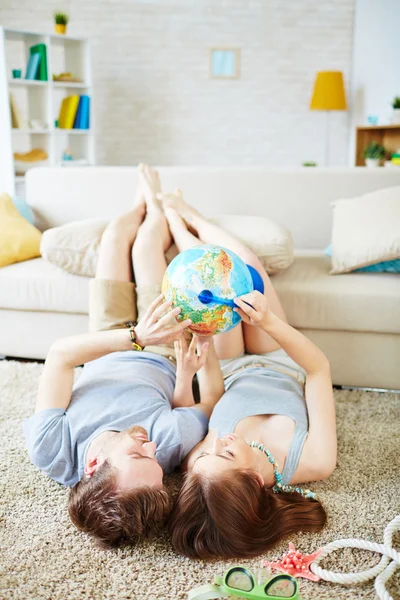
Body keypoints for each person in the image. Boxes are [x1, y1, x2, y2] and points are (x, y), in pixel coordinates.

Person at [23, 165, 225, 549]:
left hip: (108, 340)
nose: (150, 446)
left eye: (137, 452)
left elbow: (61, 356)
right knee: (147, 245)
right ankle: (155, 206)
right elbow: (210, 401)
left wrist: (134, 336)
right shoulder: (166, 445)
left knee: (116, 236)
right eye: (154, 460)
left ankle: (142, 201)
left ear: (93, 465)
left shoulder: (51, 448)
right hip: (163, 346)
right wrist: (196, 344)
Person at [157, 189, 337, 559]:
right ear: (255, 481)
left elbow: (210, 399)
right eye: (224, 455)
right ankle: (181, 215)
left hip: (231, 367)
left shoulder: (201, 467)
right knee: (247, 265)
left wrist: (199, 354)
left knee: (207, 281)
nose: (215, 444)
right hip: (282, 360)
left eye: (205, 456)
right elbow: (318, 369)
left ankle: (177, 218)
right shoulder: (314, 460)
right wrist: (268, 322)